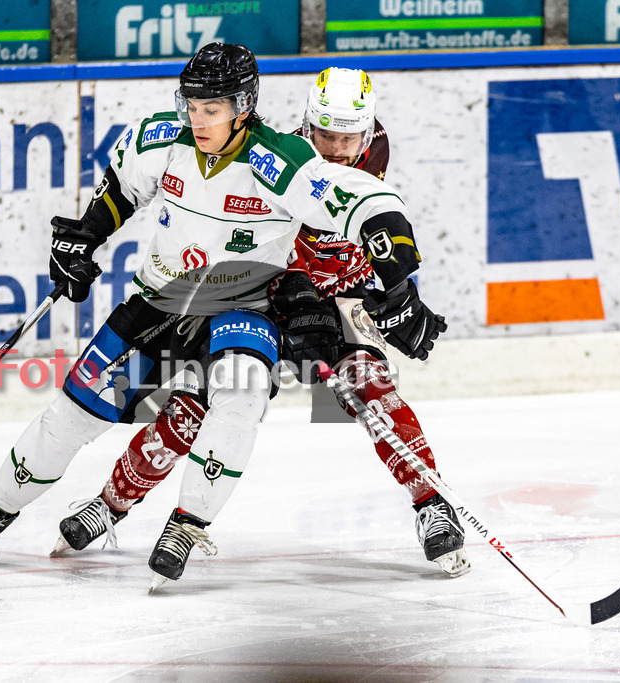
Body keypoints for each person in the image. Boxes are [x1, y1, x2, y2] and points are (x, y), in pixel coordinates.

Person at [0, 47, 445, 591]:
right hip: (169, 301)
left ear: (244, 105)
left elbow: (368, 202)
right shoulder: (161, 139)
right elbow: (121, 188)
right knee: (77, 415)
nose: (198, 119)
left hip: (250, 309)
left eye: (213, 108)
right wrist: (83, 235)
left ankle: (190, 522)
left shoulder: (284, 163)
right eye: (192, 105)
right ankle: (2, 511)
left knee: (255, 394)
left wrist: (397, 292)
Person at [52, 67, 470, 579]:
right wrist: (292, 291)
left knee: (369, 388)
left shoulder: (375, 150)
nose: (337, 148)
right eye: (325, 135)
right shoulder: (276, 158)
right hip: (265, 296)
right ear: (305, 126)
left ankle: (432, 504)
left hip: (339, 293)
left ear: (368, 129)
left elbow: (374, 224)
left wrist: (400, 296)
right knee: (196, 406)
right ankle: (111, 504)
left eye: (348, 137)